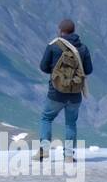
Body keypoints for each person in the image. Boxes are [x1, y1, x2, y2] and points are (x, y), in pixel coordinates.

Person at [38, 18, 93, 163]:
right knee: (70, 123)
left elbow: (43, 67)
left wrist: (57, 73)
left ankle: (43, 151)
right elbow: (88, 70)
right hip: (75, 94)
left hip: (55, 92)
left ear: (60, 31)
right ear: (74, 31)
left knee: (46, 118)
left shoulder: (53, 46)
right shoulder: (83, 48)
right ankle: (68, 155)